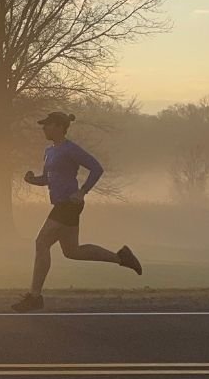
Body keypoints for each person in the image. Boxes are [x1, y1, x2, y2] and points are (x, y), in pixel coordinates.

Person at [11, 112, 142, 313]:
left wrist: (82, 191)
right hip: (61, 204)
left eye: (47, 125)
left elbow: (96, 168)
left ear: (59, 126)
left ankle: (34, 296)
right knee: (72, 251)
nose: (43, 128)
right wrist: (32, 180)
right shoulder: (49, 151)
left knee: (41, 242)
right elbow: (48, 178)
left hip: (69, 205)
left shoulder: (70, 149)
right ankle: (121, 258)